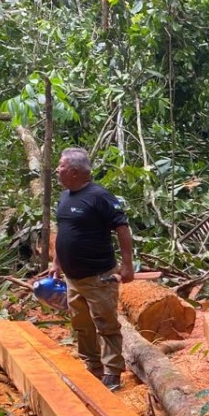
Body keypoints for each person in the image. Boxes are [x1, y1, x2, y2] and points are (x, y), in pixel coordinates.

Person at [50, 147, 134, 391]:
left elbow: (122, 228)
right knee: (81, 323)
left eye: (61, 166)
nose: (58, 170)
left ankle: (113, 371)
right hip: (72, 278)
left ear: (75, 171)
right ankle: (93, 364)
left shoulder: (100, 196)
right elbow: (63, 231)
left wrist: (127, 265)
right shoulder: (65, 196)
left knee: (106, 323)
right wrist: (57, 262)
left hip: (99, 276)